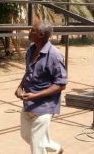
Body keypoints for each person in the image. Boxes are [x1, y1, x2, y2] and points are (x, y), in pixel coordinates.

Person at [14, 21, 67, 154]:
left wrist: (35, 96)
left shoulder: (54, 56)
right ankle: (55, 148)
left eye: (32, 30)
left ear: (41, 35)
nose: (29, 32)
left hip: (45, 106)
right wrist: (20, 86)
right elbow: (29, 72)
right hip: (29, 103)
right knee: (26, 135)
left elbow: (61, 84)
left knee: (37, 145)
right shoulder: (31, 49)